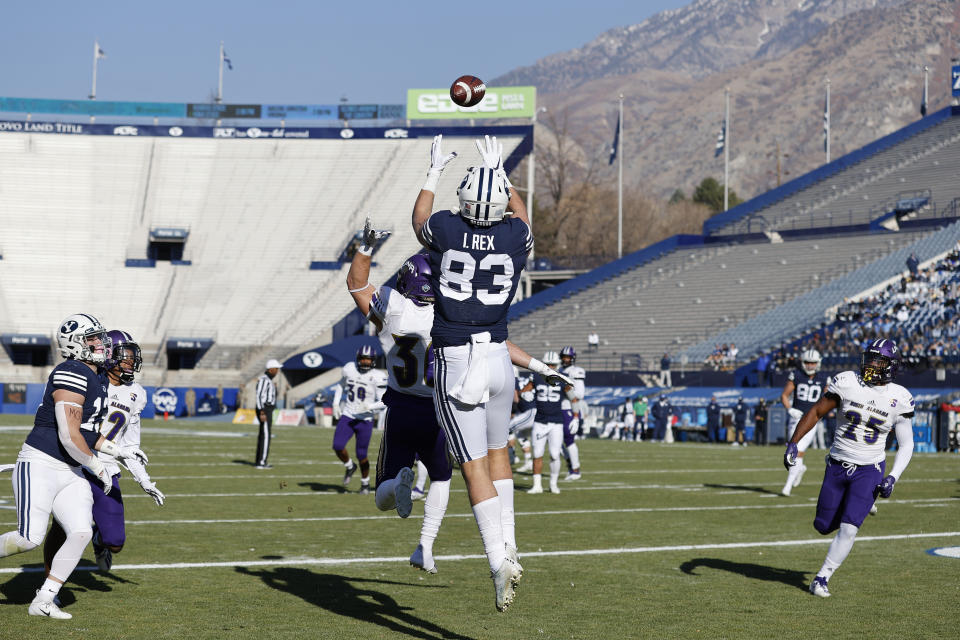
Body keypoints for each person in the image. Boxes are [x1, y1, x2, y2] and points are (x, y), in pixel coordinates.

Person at [412, 134, 541, 611]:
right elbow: (522, 218)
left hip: (457, 358)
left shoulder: (446, 227)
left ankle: (496, 559)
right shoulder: (515, 236)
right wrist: (503, 176)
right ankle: (511, 543)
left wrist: (432, 174)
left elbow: (419, 221)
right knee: (498, 452)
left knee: (472, 467)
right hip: (499, 356)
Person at [0, 314, 145, 619]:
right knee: (29, 538)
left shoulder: (95, 378)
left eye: (101, 338)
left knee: (80, 531)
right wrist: (98, 466)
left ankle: (44, 599)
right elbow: (69, 435)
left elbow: (90, 433)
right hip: (42, 463)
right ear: (75, 344)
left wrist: (119, 451)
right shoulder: (72, 370)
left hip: (70, 470)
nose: (102, 344)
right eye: (93, 338)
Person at [345, 234, 457, 573]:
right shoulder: (446, 318)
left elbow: (355, 284)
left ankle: (397, 483)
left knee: (382, 497)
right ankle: (425, 546)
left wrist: (365, 248)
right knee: (441, 478)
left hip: (400, 409)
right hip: (436, 412)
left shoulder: (391, 307)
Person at [784, 338, 915, 597]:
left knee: (849, 527)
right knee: (822, 525)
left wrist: (893, 477)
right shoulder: (847, 382)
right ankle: (860, 504)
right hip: (837, 464)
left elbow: (906, 444)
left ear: (890, 366)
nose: (871, 365)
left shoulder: (899, 397)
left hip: (869, 468)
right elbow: (817, 411)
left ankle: (822, 577)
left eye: (878, 361)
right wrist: (793, 442)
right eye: (870, 358)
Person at [42, 330, 164, 577]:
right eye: (124, 357)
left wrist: (144, 479)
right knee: (62, 526)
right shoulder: (88, 380)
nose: (130, 363)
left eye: (132, 358)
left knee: (116, 542)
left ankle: (100, 541)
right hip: (76, 464)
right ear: (109, 356)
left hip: (108, 467)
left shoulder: (137, 393)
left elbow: (130, 447)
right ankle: (49, 586)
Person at [332, 345, 387, 495]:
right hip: (348, 415)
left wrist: (369, 406)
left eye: (368, 359)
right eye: (362, 358)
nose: (365, 362)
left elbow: (385, 401)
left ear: (373, 360)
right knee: (337, 446)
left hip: (365, 419)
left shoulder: (378, 376)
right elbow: (340, 385)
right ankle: (350, 466)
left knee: (361, 454)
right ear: (357, 358)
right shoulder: (349, 368)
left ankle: (365, 483)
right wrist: (336, 403)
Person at [779, 349, 830, 496]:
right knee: (792, 450)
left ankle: (787, 486)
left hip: (812, 419)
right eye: (807, 362)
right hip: (796, 417)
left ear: (818, 363)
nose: (810, 365)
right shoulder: (796, 375)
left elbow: (828, 398)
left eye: (813, 363)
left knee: (796, 451)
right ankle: (800, 469)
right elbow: (784, 395)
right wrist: (789, 409)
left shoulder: (824, 378)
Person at [523, 352, 571, 494]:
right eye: (548, 364)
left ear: (557, 365)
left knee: (555, 454)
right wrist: (526, 395)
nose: (550, 367)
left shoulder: (562, 378)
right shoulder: (536, 376)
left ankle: (553, 484)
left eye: (553, 365)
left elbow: (573, 397)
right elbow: (524, 392)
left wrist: (574, 415)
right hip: (540, 420)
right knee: (537, 453)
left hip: (557, 421)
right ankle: (537, 485)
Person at [558, 346, 585, 479]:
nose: (565, 359)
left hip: (570, 408)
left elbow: (580, 393)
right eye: (564, 357)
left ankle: (575, 470)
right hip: (558, 409)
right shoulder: (559, 370)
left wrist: (566, 390)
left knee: (569, 440)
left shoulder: (576, 371)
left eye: (568, 357)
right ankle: (570, 464)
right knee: (555, 441)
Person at [254, 359, 283, 469]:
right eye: (276, 369)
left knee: (264, 435)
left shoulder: (268, 380)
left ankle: (260, 460)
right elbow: (259, 396)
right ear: (271, 369)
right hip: (265, 408)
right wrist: (262, 411)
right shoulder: (264, 380)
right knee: (266, 435)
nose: (277, 371)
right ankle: (261, 462)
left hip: (267, 409)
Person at [509, 367, 537, 473]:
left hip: (529, 412)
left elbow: (516, 398)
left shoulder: (514, 380)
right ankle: (527, 461)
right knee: (521, 434)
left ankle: (511, 457)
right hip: (531, 411)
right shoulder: (524, 380)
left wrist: (512, 412)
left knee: (506, 428)